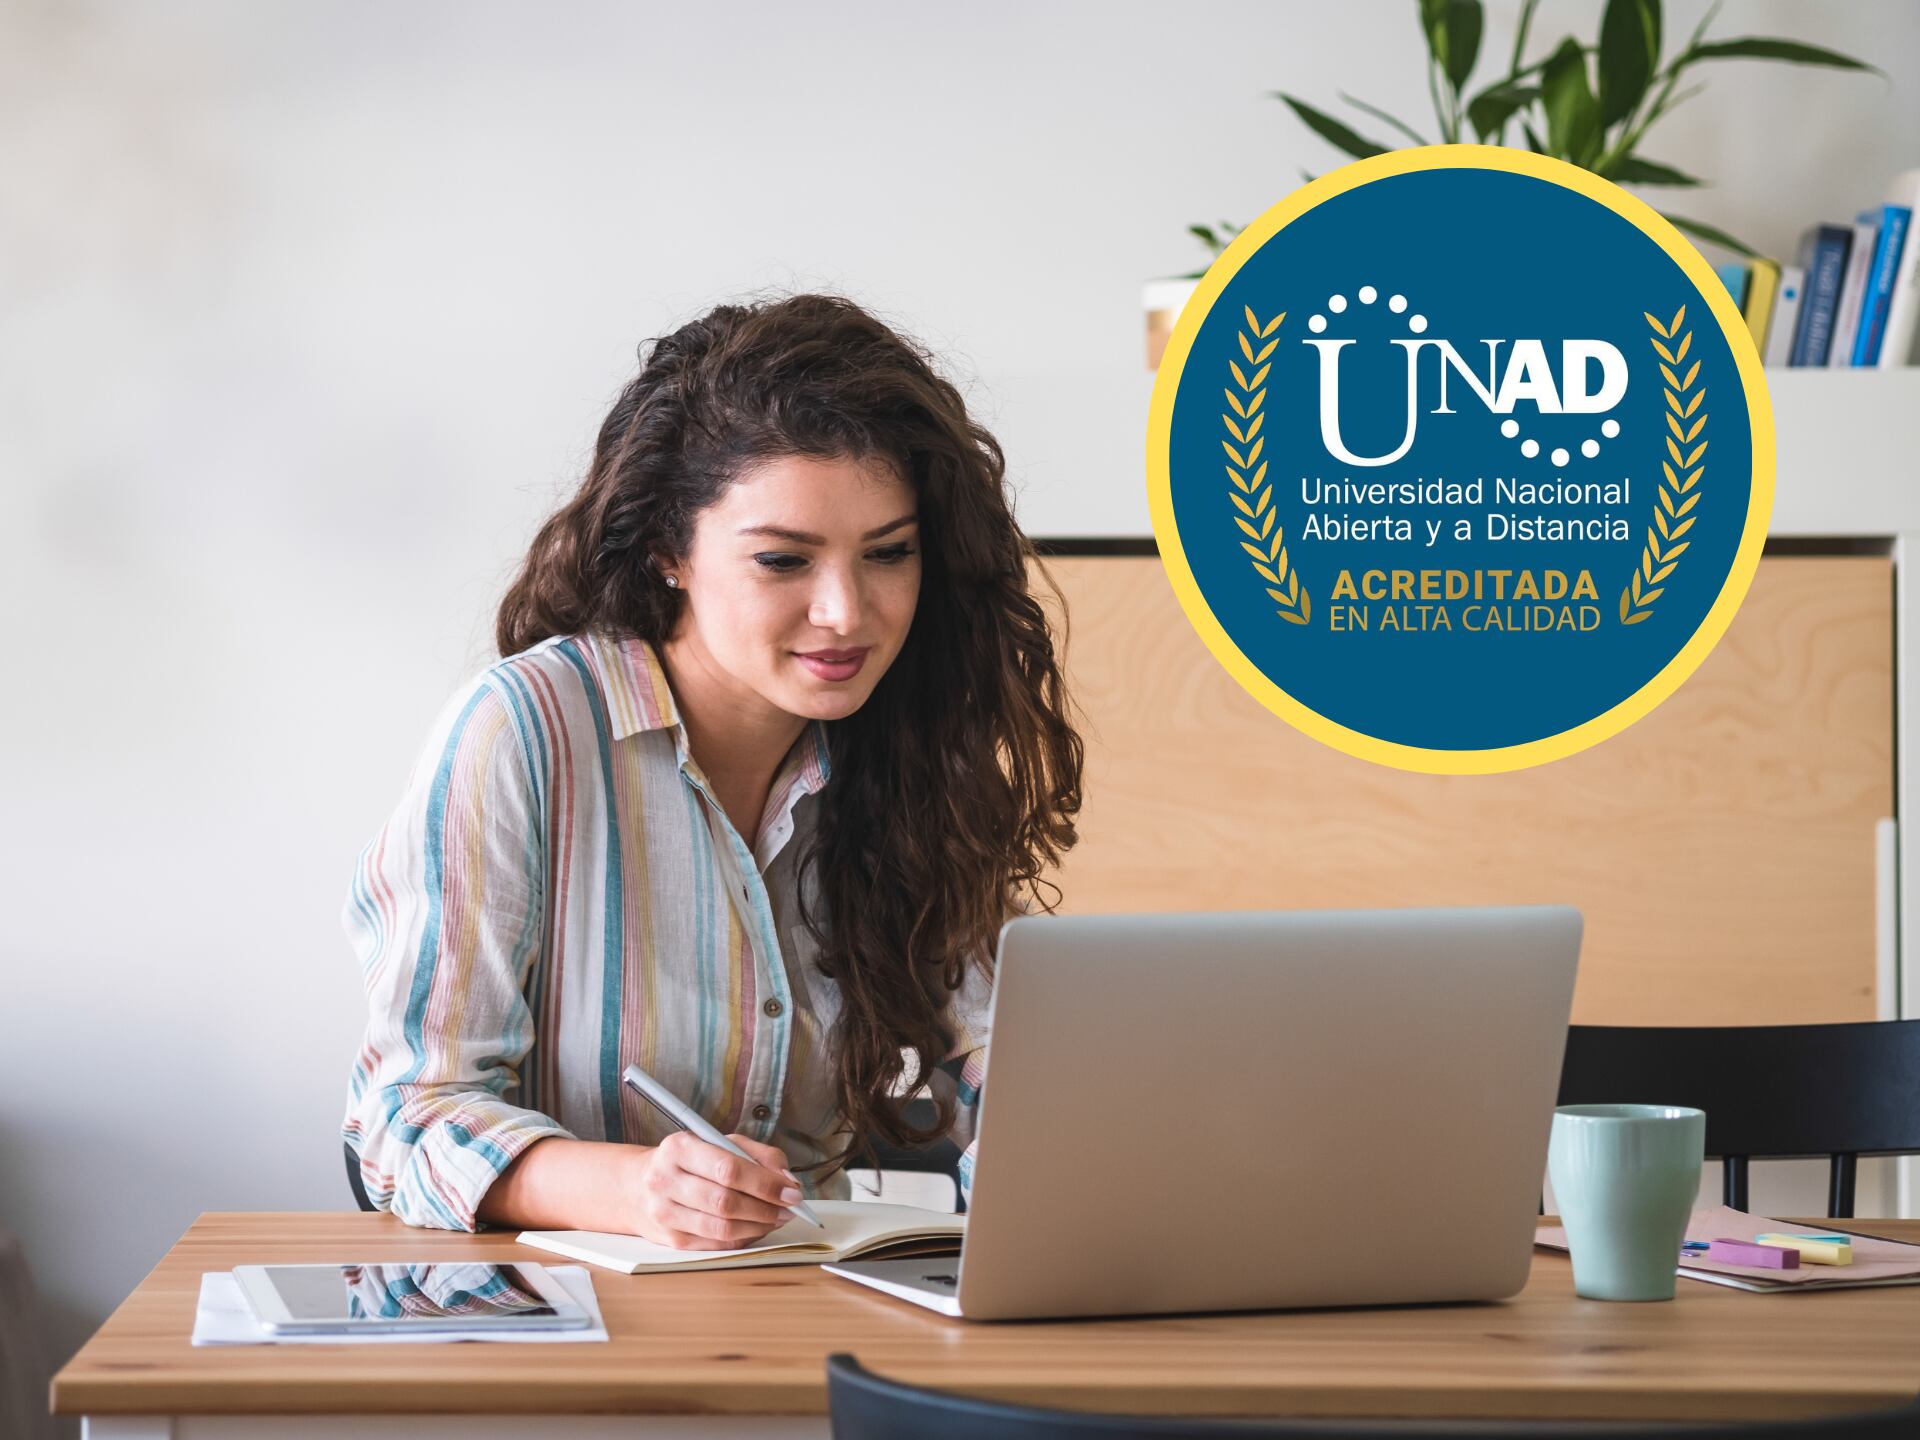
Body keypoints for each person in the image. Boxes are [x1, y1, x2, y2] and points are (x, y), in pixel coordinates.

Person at [340, 293, 1084, 1248]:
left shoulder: (907, 742)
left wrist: (1074, 1142)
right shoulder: (525, 728)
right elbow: (409, 1114)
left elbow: (1007, 1059)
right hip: (556, 1320)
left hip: (800, 1299)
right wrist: (637, 1189)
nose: (846, 613)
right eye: (783, 560)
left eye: (889, 554)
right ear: (667, 553)